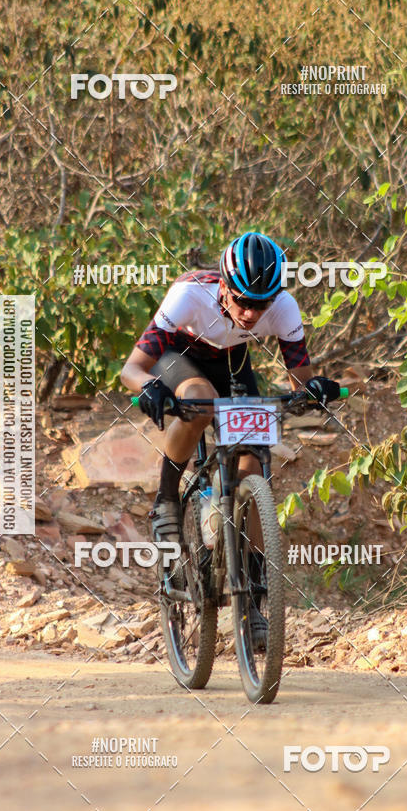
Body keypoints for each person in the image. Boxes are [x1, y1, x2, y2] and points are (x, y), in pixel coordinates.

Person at [121, 231, 339, 643]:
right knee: (201, 402)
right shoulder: (188, 296)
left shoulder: (284, 306)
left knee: (251, 463)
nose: (252, 313)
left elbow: (300, 380)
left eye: (262, 304)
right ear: (223, 287)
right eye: (242, 301)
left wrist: (315, 390)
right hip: (180, 357)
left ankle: (252, 605)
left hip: (233, 364)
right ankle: (167, 501)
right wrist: (148, 386)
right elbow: (132, 368)